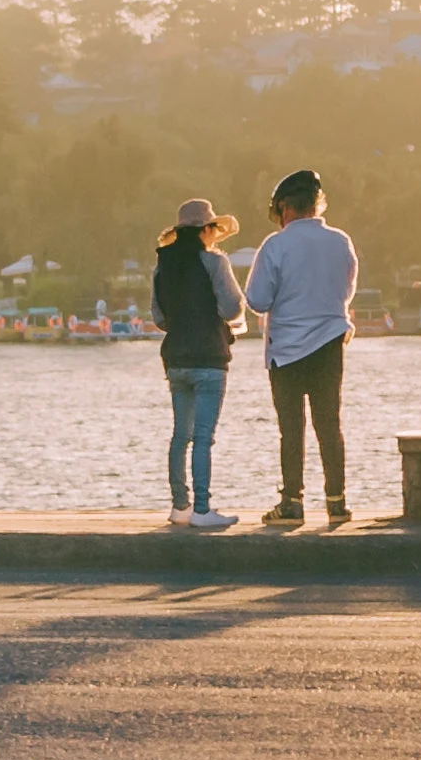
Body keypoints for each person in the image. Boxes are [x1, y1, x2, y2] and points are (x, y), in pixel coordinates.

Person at [246, 166, 358, 525]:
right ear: (317, 204)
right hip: (329, 344)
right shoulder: (341, 241)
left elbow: (258, 300)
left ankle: (292, 502)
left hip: (287, 350)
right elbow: (347, 290)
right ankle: (337, 501)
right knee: (330, 423)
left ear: (284, 209)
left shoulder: (275, 245)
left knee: (291, 428)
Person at [152, 199, 242, 529]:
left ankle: (180, 506)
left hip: (175, 359)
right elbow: (232, 308)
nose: (215, 236)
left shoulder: (162, 266)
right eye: (213, 230)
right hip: (209, 358)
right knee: (203, 437)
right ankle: (203, 509)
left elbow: (159, 317)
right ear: (205, 230)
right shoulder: (215, 263)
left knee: (180, 435)